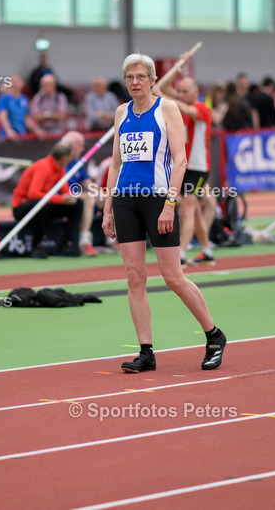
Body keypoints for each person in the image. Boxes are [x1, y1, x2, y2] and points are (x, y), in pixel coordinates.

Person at [102, 53, 227, 373]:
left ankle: (214, 335)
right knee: (134, 277)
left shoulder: (167, 108)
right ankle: (146, 352)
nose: (135, 82)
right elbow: (116, 163)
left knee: (173, 277)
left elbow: (180, 160)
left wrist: (170, 203)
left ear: (153, 80)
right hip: (125, 200)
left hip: (158, 199)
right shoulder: (121, 112)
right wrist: (107, 207)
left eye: (141, 77)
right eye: (130, 77)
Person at [156, 71, 217, 265]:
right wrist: (178, 67)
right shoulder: (180, 106)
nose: (181, 94)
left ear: (195, 92)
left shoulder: (201, 108)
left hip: (198, 168)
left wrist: (162, 96)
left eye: (185, 91)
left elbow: (169, 97)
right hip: (183, 166)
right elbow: (162, 86)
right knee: (193, 209)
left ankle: (180, 254)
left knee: (189, 206)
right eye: (179, 91)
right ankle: (206, 250)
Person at [11, 142, 83, 259]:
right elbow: (33, 194)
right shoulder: (44, 167)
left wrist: (71, 198)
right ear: (64, 158)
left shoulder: (59, 168)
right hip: (21, 207)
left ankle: (66, 245)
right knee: (40, 204)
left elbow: (65, 190)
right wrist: (61, 199)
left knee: (78, 204)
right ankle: (36, 246)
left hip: (42, 205)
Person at [59, 131, 99, 256]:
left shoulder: (77, 163)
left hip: (77, 197)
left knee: (108, 197)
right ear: (72, 146)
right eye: (80, 146)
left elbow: (87, 183)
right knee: (88, 199)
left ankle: (112, 240)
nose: (82, 149)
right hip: (62, 198)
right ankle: (84, 242)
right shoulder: (58, 161)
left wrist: (102, 193)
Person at [0, 75, 40, 139]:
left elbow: (26, 118)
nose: (14, 85)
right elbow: (2, 116)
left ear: (22, 84)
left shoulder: (24, 99)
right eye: (13, 82)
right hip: (7, 137)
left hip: (21, 134)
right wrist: (8, 130)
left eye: (16, 82)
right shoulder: (4, 98)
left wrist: (36, 129)